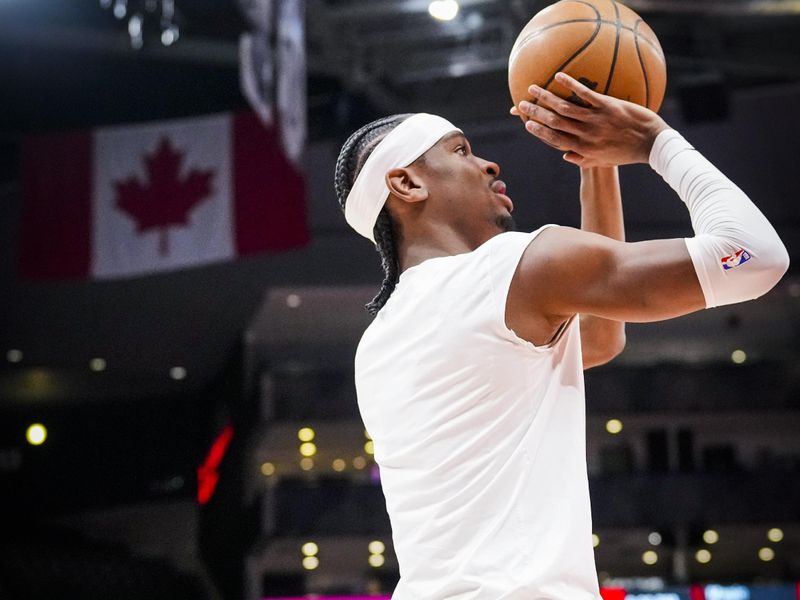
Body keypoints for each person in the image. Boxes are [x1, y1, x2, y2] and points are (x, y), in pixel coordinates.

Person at [332, 72, 789, 599]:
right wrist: (654, 142)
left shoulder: (380, 338)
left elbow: (597, 338)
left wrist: (598, 165)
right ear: (407, 184)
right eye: (460, 151)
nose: (488, 163)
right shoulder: (506, 271)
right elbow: (755, 256)